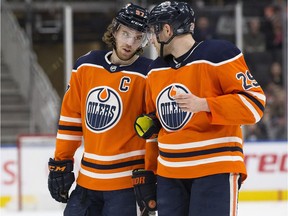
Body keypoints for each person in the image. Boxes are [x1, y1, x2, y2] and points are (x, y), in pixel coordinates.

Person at [135, 1, 266, 216]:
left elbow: (255, 105)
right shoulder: (155, 69)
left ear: (167, 30)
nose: (150, 38)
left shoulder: (220, 54)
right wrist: (150, 173)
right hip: (170, 176)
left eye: (153, 31)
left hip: (214, 170)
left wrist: (204, 104)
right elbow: (153, 133)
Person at [47, 3, 152, 216]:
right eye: (126, 33)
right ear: (114, 30)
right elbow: (71, 119)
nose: (130, 43)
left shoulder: (150, 73)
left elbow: (155, 134)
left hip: (127, 186)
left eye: (138, 37)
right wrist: (61, 162)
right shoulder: (86, 65)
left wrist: (151, 175)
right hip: (87, 184)